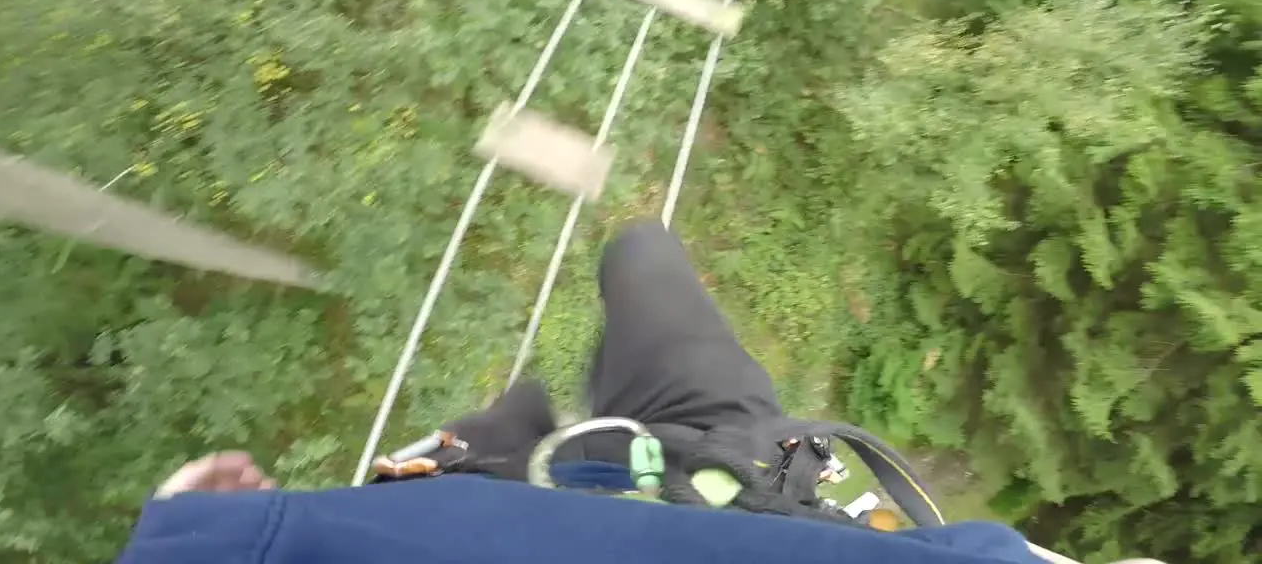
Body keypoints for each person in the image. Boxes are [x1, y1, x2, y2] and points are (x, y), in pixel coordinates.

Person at [117, 220, 1054, 564]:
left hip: (661, 485)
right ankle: (573, 415)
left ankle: (541, 428)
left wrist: (231, 540)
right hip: (734, 467)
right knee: (642, 253)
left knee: (505, 423)